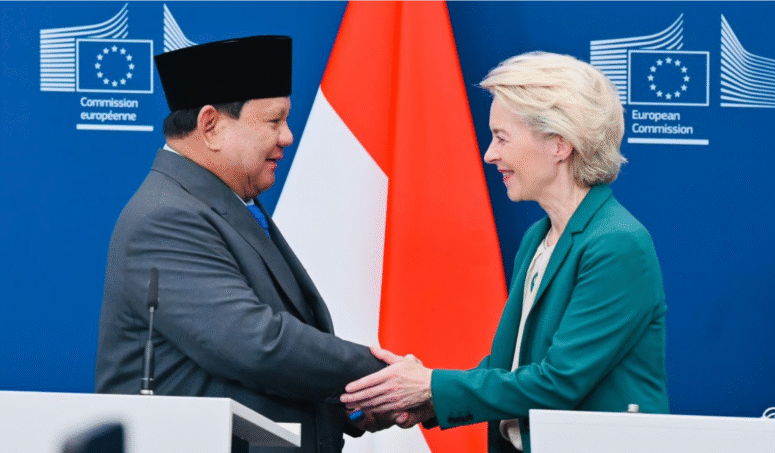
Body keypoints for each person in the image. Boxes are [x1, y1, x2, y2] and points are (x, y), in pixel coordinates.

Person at [341, 51, 670, 452]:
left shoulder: (617, 243)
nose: (489, 154)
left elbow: (559, 383)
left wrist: (430, 385)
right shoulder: (538, 237)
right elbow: (512, 369)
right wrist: (423, 400)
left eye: (501, 137)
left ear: (559, 143)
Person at [95, 36, 392, 453]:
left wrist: (350, 405)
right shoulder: (167, 217)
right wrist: (385, 378)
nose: (288, 137)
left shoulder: (225, 202)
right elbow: (256, 344)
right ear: (211, 125)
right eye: (274, 121)